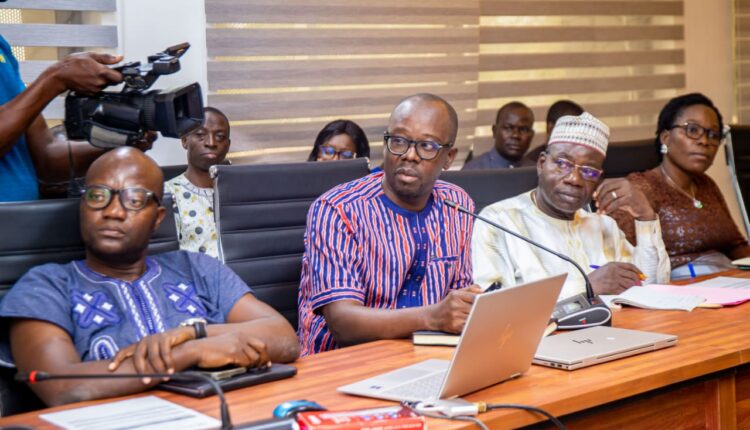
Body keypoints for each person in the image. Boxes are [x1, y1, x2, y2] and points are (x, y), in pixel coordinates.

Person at [0, 147, 299, 407]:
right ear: (82, 206)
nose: (113, 212)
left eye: (134, 200)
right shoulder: (45, 286)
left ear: (157, 218)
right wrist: (189, 352)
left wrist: (195, 333)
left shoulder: (197, 268)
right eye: (97, 196)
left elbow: (284, 338)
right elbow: (61, 386)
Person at [297, 94, 479, 356]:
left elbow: (459, 301)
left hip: (425, 357)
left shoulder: (458, 204)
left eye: (427, 146)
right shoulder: (337, 209)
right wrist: (434, 317)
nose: (410, 155)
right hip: (341, 364)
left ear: (449, 157)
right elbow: (342, 323)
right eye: (399, 141)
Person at [472, 112, 670, 301]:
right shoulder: (498, 222)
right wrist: (587, 286)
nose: (574, 179)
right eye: (563, 164)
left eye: (588, 171)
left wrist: (646, 217)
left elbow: (653, 286)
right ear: (541, 164)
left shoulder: (604, 226)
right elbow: (493, 306)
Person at [610, 93, 750, 278]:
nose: (704, 141)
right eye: (692, 130)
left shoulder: (706, 184)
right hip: (679, 286)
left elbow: (736, 245)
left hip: (729, 279)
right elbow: (623, 258)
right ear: (665, 137)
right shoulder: (640, 189)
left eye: (713, 134)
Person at [0, 35, 130, 201]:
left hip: (22, 213)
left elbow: (46, 154)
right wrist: (55, 78)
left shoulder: (2, 46)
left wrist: (123, 141)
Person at [164, 107, 231, 258]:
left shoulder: (241, 192)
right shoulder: (168, 194)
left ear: (228, 145)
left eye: (220, 137)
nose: (211, 143)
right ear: (184, 140)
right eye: (200, 135)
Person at [463, 101, 535, 170]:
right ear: (494, 131)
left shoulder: (537, 172)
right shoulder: (473, 170)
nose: (515, 135)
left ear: (531, 135)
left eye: (523, 130)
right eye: (508, 128)